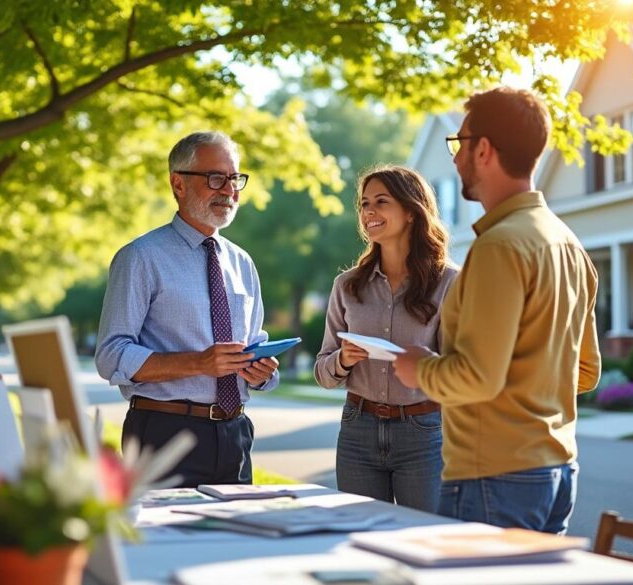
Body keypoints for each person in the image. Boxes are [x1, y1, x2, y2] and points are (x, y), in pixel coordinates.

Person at [394, 87, 601, 533]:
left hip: (494, 477)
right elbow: (585, 372)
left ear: (483, 149)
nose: (455, 158)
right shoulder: (569, 244)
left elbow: (479, 377)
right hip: (557, 470)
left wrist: (420, 370)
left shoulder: (499, 247)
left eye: (459, 144)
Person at [95, 131, 279, 487]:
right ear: (178, 183)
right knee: (162, 542)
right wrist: (199, 362)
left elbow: (254, 341)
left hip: (235, 433)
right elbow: (111, 355)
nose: (228, 190)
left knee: (234, 542)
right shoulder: (140, 257)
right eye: (215, 178)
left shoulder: (243, 263)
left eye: (235, 178)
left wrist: (263, 372)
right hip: (164, 434)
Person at [314, 165, 458, 513]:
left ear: (411, 211)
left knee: (422, 536)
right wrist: (343, 360)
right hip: (357, 429)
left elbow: (460, 368)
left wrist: (425, 365)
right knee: (358, 535)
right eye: (364, 204)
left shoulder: (449, 283)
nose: (369, 212)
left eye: (381, 201)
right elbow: (322, 370)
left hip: (423, 432)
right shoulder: (347, 285)